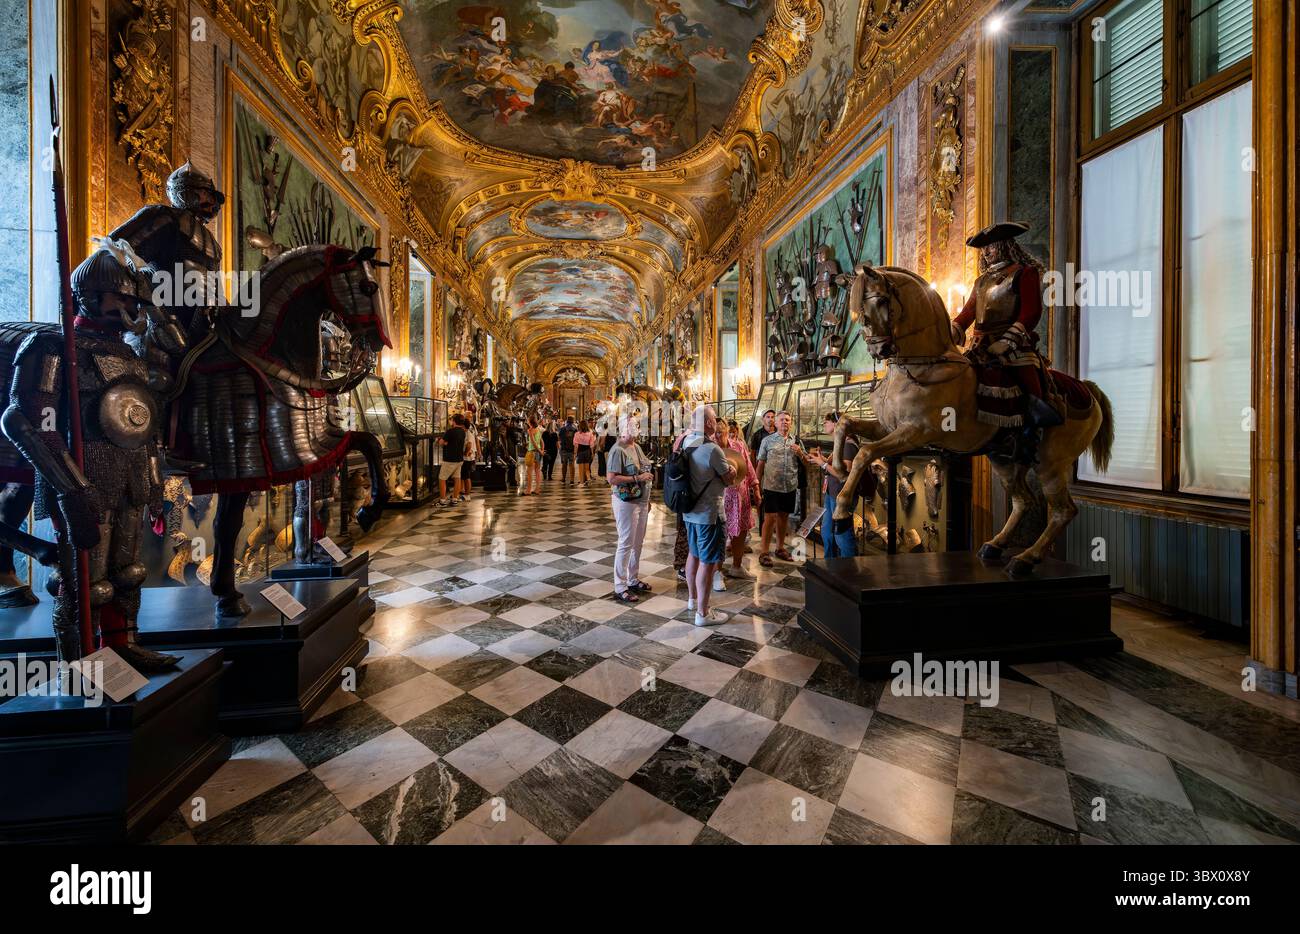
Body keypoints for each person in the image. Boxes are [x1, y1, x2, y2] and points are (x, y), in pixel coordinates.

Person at [953, 220, 1061, 464]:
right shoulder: (981, 281)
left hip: (1014, 346)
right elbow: (969, 311)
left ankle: (1030, 436)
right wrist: (953, 328)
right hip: (979, 347)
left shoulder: (1024, 273)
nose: (986, 252)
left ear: (1003, 246)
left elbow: (1031, 313)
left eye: (991, 247)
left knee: (1028, 385)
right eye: (984, 249)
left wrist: (1008, 340)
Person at [680, 405, 736, 625]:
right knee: (708, 561)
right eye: (713, 419)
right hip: (709, 513)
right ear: (707, 423)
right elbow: (729, 479)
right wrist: (731, 470)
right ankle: (703, 614)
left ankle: (693, 600)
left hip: (690, 511)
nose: (715, 422)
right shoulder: (713, 449)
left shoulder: (687, 441)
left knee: (693, 554)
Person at [606, 416, 655, 604]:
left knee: (638, 542)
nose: (636, 428)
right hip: (625, 501)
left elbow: (643, 470)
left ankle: (633, 579)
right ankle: (620, 585)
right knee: (626, 542)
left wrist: (647, 500)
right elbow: (611, 478)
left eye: (637, 425)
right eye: (633, 425)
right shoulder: (617, 450)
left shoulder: (636, 447)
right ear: (623, 428)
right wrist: (637, 478)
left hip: (641, 501)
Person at [756, 410, 810, 566]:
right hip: (772, 486)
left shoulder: (797, 441)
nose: (784, 422)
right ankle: (764, 552)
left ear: (790, 422)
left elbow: (806, 464)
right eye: (781, 420)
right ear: (776, 423)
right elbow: (760, 464)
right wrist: (756, 485)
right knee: (769, 518)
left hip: (789, 486)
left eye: (787, 420)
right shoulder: (767, 441)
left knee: (783, 517)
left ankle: (780, 548)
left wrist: (800, 453)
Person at [806, 412, 859, 558]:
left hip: (842, 496)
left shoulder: (848, 445)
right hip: (832, 493)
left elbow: (844, 474)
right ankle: (829, 565)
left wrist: (822, 464)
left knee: (842, 536)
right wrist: (822, 459)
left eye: (826, 422)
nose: (824, 424)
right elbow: (837, 465)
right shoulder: (840, 443)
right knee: (827, 532)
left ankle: (848, 569)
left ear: (836, 424)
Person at [719, 420, 760, 579]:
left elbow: (749, 467)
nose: (719, 435)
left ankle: (737, 566)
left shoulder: (738, 446)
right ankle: (717, 571)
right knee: (720, 534)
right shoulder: (709, 448)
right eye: (715, 432)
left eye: (721, 432)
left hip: (740, 496)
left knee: (741, 530)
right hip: (720, 497)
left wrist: (756, 488)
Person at [749, 408, 776, 536]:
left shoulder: (779, 433)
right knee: (760, 496)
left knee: (774, 497)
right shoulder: (757, 435)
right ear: (763, 419)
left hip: (776, 471)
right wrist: (754, 472)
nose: (770, 419)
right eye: (768, 417)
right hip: (762, 470)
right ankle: (762, 521)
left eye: (772, 417)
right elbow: (753, 454)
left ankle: (774, 524)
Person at [437, 413, 467, 506]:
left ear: (454, 421)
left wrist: (439, 440)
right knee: (457, 478)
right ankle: (455, 498)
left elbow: (442, 442)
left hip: (450, 459)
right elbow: (454, 442)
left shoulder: (450, 431)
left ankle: (442, 500)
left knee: (442, 478)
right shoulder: (463, 432)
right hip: (459, 459)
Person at [523, 414, 544, 495]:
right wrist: (541, 450)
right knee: (537, 471)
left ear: (529, 422)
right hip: (538, 453)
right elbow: (541, 441)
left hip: (532, 452)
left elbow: (533, 442)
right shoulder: (538, 429)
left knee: (529, 472)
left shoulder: (530, 430)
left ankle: (528, 490)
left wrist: (539, 450)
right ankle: (537, 489)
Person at [460, 418, 479, 501]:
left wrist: (465, 453)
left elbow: (469, 444)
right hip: (466, 458)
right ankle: (463, 491)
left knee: (466, 476)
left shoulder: (468, 434)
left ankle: (467, 495)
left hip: (467, 459)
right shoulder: (465, 433)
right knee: (464, 476)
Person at [574, 420, 595, 485]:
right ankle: (588, 478)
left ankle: (581, 482)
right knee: (587, 468)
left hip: (580, 451)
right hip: (587, 451)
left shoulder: (577, 434)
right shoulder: (590, 434)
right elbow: (591, 445)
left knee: (581, 468)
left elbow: (576, 445)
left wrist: (575, 453)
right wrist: (592, 453)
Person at [558, 416, 577, 484]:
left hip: (564, 449)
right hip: (572, 449)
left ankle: (563, 478)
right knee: (572, 465)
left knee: (564, 464)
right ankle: (572, 480)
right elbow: (576, 440)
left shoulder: (562, 429)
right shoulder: (575, 429)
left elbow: (559, 438)